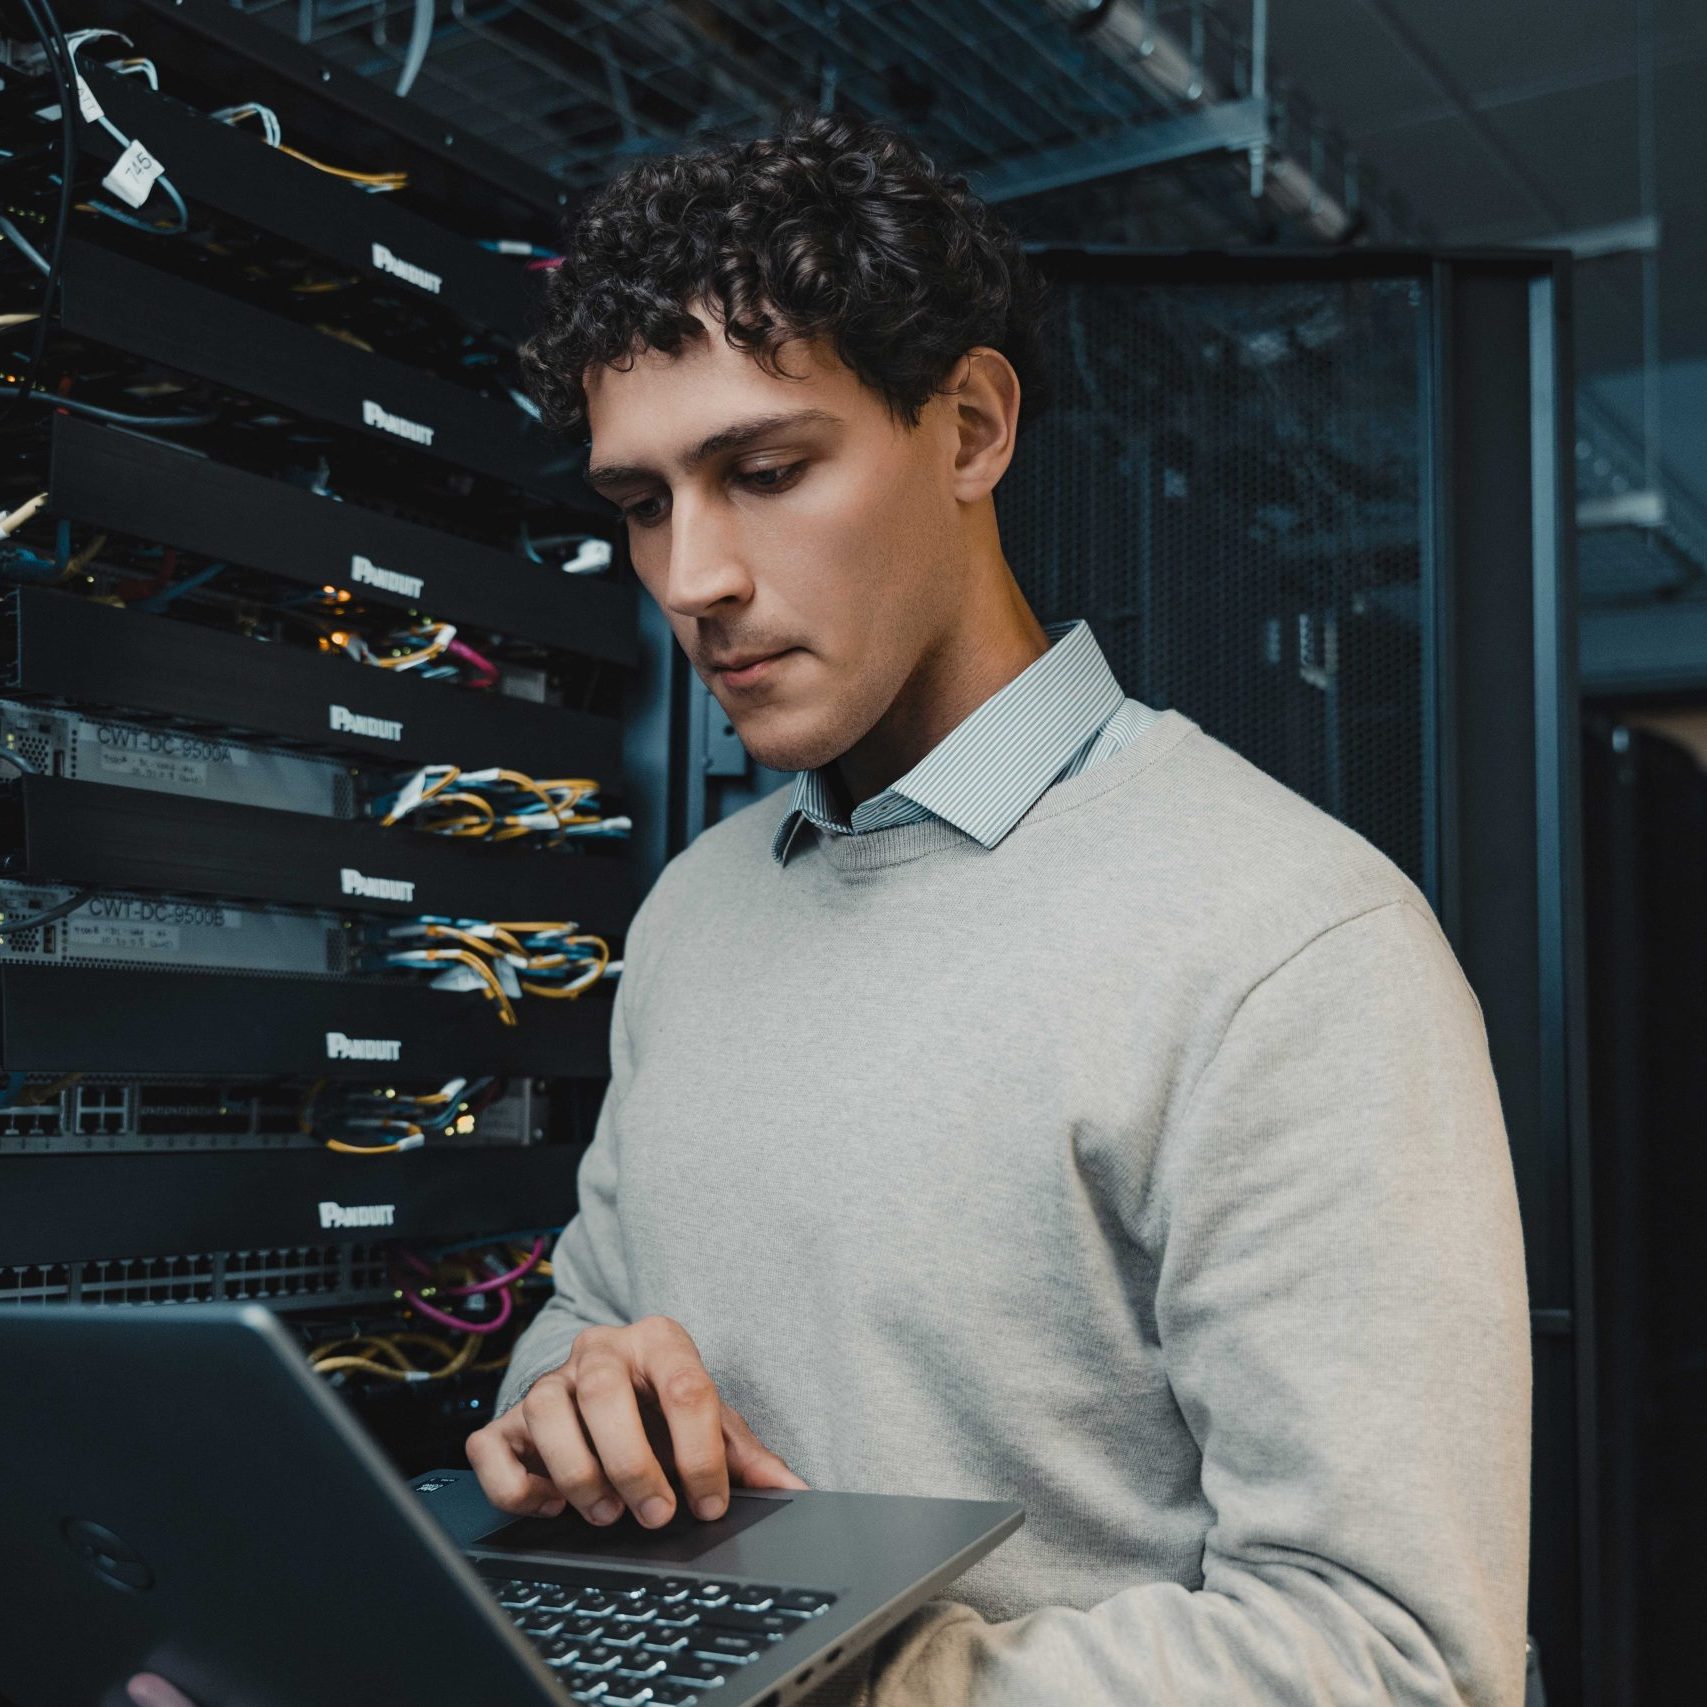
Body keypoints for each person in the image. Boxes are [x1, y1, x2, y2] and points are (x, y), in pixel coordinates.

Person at [133, 110, 1531, 1707]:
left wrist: (816, 1675)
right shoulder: (696, 913)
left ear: (971, 429)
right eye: (643, 501)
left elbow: (1396, 1660)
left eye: (766, 472)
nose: (693, 578)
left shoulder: (1289, 945)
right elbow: (589, 1317)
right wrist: (574, 1403)